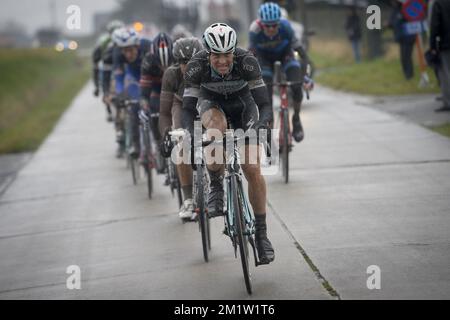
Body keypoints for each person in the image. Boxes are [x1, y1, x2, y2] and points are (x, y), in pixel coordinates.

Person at [181, 23, 275, 264]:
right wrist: (189, 137)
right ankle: (215, 186)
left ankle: (262, 235)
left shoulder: (247, 61)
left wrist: (262, 125)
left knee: (252, 168)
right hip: (211, 104)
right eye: (216, 56)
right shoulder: (196, 66)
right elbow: (188, 108)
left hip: (244, 106)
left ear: (234, 52)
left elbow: (264, 104)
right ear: (207, 53)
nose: (222, 61)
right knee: (214, 130)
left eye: (227, 55)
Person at [249, 2, 313, 143]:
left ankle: (296, 118)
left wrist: (306, 76)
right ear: (261, 24)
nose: (271, 28)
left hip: (286, 56)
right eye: (267, 25)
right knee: (266, 94)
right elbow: (249, 57)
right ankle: (269, 126)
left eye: (274, 25)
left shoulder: (286, 27)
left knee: (296, 86)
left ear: (279, 23)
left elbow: (302, 53)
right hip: (264, 60)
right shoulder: (254, 31)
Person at [159, 37, 203, 220]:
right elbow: (164, 112)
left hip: (204, 101)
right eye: (183, 63)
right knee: (181, 143)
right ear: (177, 63)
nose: (187, 67)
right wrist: (166, 134)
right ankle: (188, 199)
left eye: (192, 62)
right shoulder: (171, 75)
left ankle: (217, 186)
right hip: (181, 103)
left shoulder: (208, 69)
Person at [112, 27, 152, 158]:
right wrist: (119, 94)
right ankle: (136, 144)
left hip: (150, 77)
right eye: (125, 51)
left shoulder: (147, 46)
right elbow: (119, 79)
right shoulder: (118, 54)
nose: (128, 54)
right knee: (134, 106)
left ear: (137, 45)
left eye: (131, 50)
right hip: (134, 78)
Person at [140, 32, 174, 157]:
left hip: (174, 90)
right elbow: (145, 88)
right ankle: (158, 141)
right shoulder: (148, 61)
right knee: (154, 114)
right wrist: (144, 104)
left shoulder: (177, 58)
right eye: (161, 65)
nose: (165, 68)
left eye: (168, 65)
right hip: (156, 90)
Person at [92, 20, 124, 122]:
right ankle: (108, 109)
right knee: (103, 81)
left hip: (118, 66)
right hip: (106, 65)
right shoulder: (103, 42)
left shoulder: (125, 40)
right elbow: (95, 60)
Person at [429, 0, 450, 112]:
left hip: (445, 44)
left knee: (445, 73)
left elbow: (435, 25)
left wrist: (432, 46)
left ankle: (448, 102)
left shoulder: (438, 3)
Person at [388, 0, 416, 80]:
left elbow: (412, 19)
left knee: (407, 56)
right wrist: (388, 24)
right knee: (403, 57)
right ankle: (406, 75)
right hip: (401, 38)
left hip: (408, 37)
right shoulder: (395, 11)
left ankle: (409, 75)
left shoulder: (406, 9)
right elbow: (392, 23)